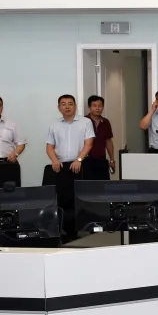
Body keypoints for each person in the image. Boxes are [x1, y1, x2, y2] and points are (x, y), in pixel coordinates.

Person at [43, 95, 94, 241]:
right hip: (60, 167)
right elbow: (49, 146)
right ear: (59, 107)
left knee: (77, 200)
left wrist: (79, 159)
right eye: (63, 104)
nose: (67, 107)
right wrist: (54, 160)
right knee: (61, 199)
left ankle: (75, 231)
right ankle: (62, 230)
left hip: (79, 165)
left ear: (75, 106)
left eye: (70, 104)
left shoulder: (85, 122)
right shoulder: (54, 124)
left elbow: (89, 143)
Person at [83, 95, 116, 180]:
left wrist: (112, 159)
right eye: (94, 106)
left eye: (100, 106)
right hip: (86, 160)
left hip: (101, 160)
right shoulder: (83, 121)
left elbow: (108, 141)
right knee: (87, 186)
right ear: (89, 107)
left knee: (103, 185)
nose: (97, 108)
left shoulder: (105, 122)